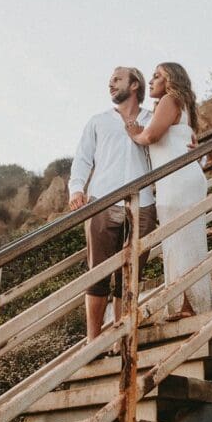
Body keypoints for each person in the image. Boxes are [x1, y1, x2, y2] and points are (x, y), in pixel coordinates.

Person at [68, 67, 158, 341]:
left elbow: (171, 149)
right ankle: (93, 341)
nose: (110, 84)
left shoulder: (152, 119)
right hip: (103, 200)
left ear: (134, 85)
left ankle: (122, 336)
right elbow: (83, 158)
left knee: (130, 273)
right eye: (110, 80)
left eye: (117, 79)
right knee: (98, 271)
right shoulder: (98, 121)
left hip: (142, 202)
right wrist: (76, 189)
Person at [126, 62, 212, 320]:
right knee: (185, 239)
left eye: (157, 76)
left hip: (177, 182)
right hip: (179, 180)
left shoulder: (170, 99)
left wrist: (135, 132)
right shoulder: (180, 105)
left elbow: (151, 136)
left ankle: (187, 305)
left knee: (180, 239)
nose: (152, 80)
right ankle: (186, 304)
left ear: (171, 80)